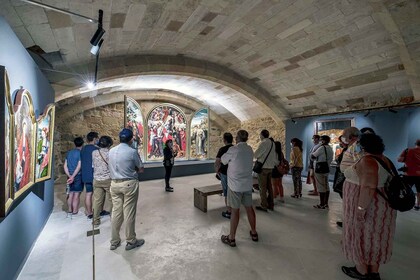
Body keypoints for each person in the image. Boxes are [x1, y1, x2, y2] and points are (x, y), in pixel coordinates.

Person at [341, 134, 397, 280]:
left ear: (363, 146)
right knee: (375, 236)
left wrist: (361, 209)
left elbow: (368, 186)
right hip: (380, 206)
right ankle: (373, 270)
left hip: (367, 204)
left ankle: (361, 270)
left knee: (360, 234)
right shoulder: (384, 159)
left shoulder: (368, 161)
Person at [109, 128, 145, 251]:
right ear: (131, 139)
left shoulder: (111, 151)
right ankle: (131, 240)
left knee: (116, 212)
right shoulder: (132, 152)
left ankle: (114, 241)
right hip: (129, 183)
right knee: (129, 212)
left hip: (114, 184)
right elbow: (141, 168)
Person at [220, 130, 257, 247]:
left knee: (235, 211)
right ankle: (254, 232)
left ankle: (231, 238)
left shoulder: (233, 150)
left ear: (237, 138)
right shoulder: (250, 149)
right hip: (247, 185)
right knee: (249, 209)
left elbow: (223, 160)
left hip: (235, 185)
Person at [254, 130, 278, 212]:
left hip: (263, 168)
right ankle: (271, 205)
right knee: (270, 187)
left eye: (260, 135)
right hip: (270, 167)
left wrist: (255, 156)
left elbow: (256, 154)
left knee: (262, 188)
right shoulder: (272, 143)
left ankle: (264, 205)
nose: (259, 136)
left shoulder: (263, 142)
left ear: (262, 135)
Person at [91, 136, 113, 226]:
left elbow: (93, 165)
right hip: (108, 179)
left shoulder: (94, 152)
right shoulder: (110, 153)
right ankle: (114, 218)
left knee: (97, 201)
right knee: (112, 200)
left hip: (96, 179)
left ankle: (95, 221)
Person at [215, 132, 234, 219]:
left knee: (226, 192)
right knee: (233, 191)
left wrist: (217, 171)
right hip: (234, 173)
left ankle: (229, 211)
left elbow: (218, 161)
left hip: (225, 173)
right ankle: (234, 209)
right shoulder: (235, 148)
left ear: (224, 140)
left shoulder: (222, 149)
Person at [311, 135, 333, 209]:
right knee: (326, 186)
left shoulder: (321, 148)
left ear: (323, 140)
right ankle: (326, 203)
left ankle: (322, 204)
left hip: (319, 169)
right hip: (327, 169)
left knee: (321, 186)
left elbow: (313, 156)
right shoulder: (330, 148)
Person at [81, 131, 99, 219]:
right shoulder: (95, 150)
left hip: (85, 174)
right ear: (95, 139)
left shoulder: (83, 149)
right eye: (97, 138)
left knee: (88, 193)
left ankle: (89, 212)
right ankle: (98, 211)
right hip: (94, 174)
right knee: (98, 195)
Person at [398, 139, 420, 210]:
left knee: (405, 189)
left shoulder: (408, 150)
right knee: (419, 191)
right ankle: (417, 205)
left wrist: (407, 159)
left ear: (415, 144)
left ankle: (404, 203)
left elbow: (399, 159)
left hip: (408, 174)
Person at [64, 137, 84, 215]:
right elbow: (79, 166)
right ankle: (75, 210)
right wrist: (73, 177)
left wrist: (69, 176)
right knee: (76, 194)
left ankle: (70, 209)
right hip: (78, 176)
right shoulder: (80, 153)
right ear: (82, 143)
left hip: (69, 175)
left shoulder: (69, 153)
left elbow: (65, 165)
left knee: (70, 193)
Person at [333, 135, 348, 227]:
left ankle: (348, 220)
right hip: (342, 176)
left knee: (347, 199)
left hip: (345, 177)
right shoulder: (347, 150)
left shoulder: (350, 151)